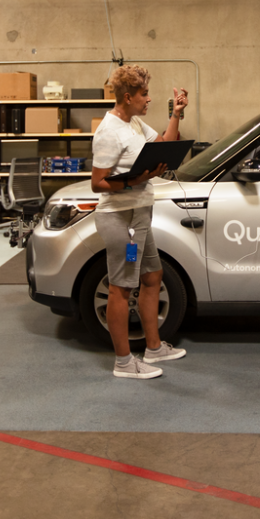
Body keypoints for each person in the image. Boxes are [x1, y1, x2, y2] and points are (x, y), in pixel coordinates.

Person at [90, 65, 190, 379]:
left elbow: (162, 145)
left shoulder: (133, 123)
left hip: (139, 217)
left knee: (152, 276)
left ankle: (154, 347)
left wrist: (177, 113)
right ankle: (123, 362)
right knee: (121, 288)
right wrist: (134, 182)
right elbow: (98, 183)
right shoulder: (109, 131)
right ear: (128, 96)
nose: (149, 99)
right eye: (144, 94)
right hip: (122, 222)